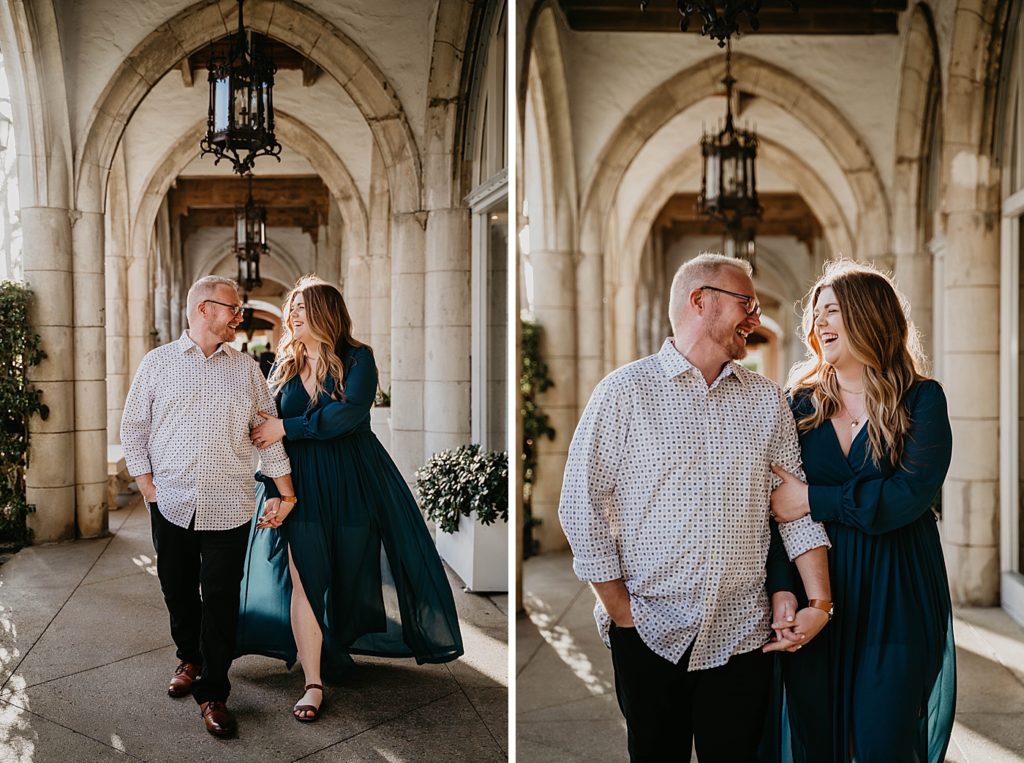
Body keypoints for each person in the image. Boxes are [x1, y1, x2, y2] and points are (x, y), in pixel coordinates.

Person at [559, 253, 833, 763]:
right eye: (746, 302)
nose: (755, 317)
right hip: (647, 632)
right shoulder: (623, 392)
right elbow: (580, 506)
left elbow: (793, 511)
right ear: (700, 301)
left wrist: (819, 602)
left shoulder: (767, 401)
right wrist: (622, 614)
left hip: (743, 637)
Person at [239, 275, 464, 722]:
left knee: (346, 573)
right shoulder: (283, 365)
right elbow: (265, 430)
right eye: (291, 307)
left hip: (354, 480)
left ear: (325, 313)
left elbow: (348, 414)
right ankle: (313, 682)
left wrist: (287, 427)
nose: (293, 315)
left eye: (302, 307)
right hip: (301, 486)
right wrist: (276, 488)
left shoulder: (359, 358)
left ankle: (333, 646)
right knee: (305, 578)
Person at [768, 260, 955, 763]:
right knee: (818, 737)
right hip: (816, 584)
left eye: (832, 310)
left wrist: (814, 499)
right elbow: (775, 513)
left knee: (882, 739)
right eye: (816, 313)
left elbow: (907, 497)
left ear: (869, 315)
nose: (819, 322)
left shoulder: (922, 400)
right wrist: (783, 589)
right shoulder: (797, 405)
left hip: (898, 587)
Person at [121, 275, 297, 738]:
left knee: (220, 599)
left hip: (230, 506)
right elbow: (133, 428)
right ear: (204, 308)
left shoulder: (248, 370)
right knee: (177, 590)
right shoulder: (157, 363)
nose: (239, 315)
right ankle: (189, 658)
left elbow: (267, 435)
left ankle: (214, 692)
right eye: (232, 308)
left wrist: (286, 492)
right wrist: (149, 488)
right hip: (170, 503)